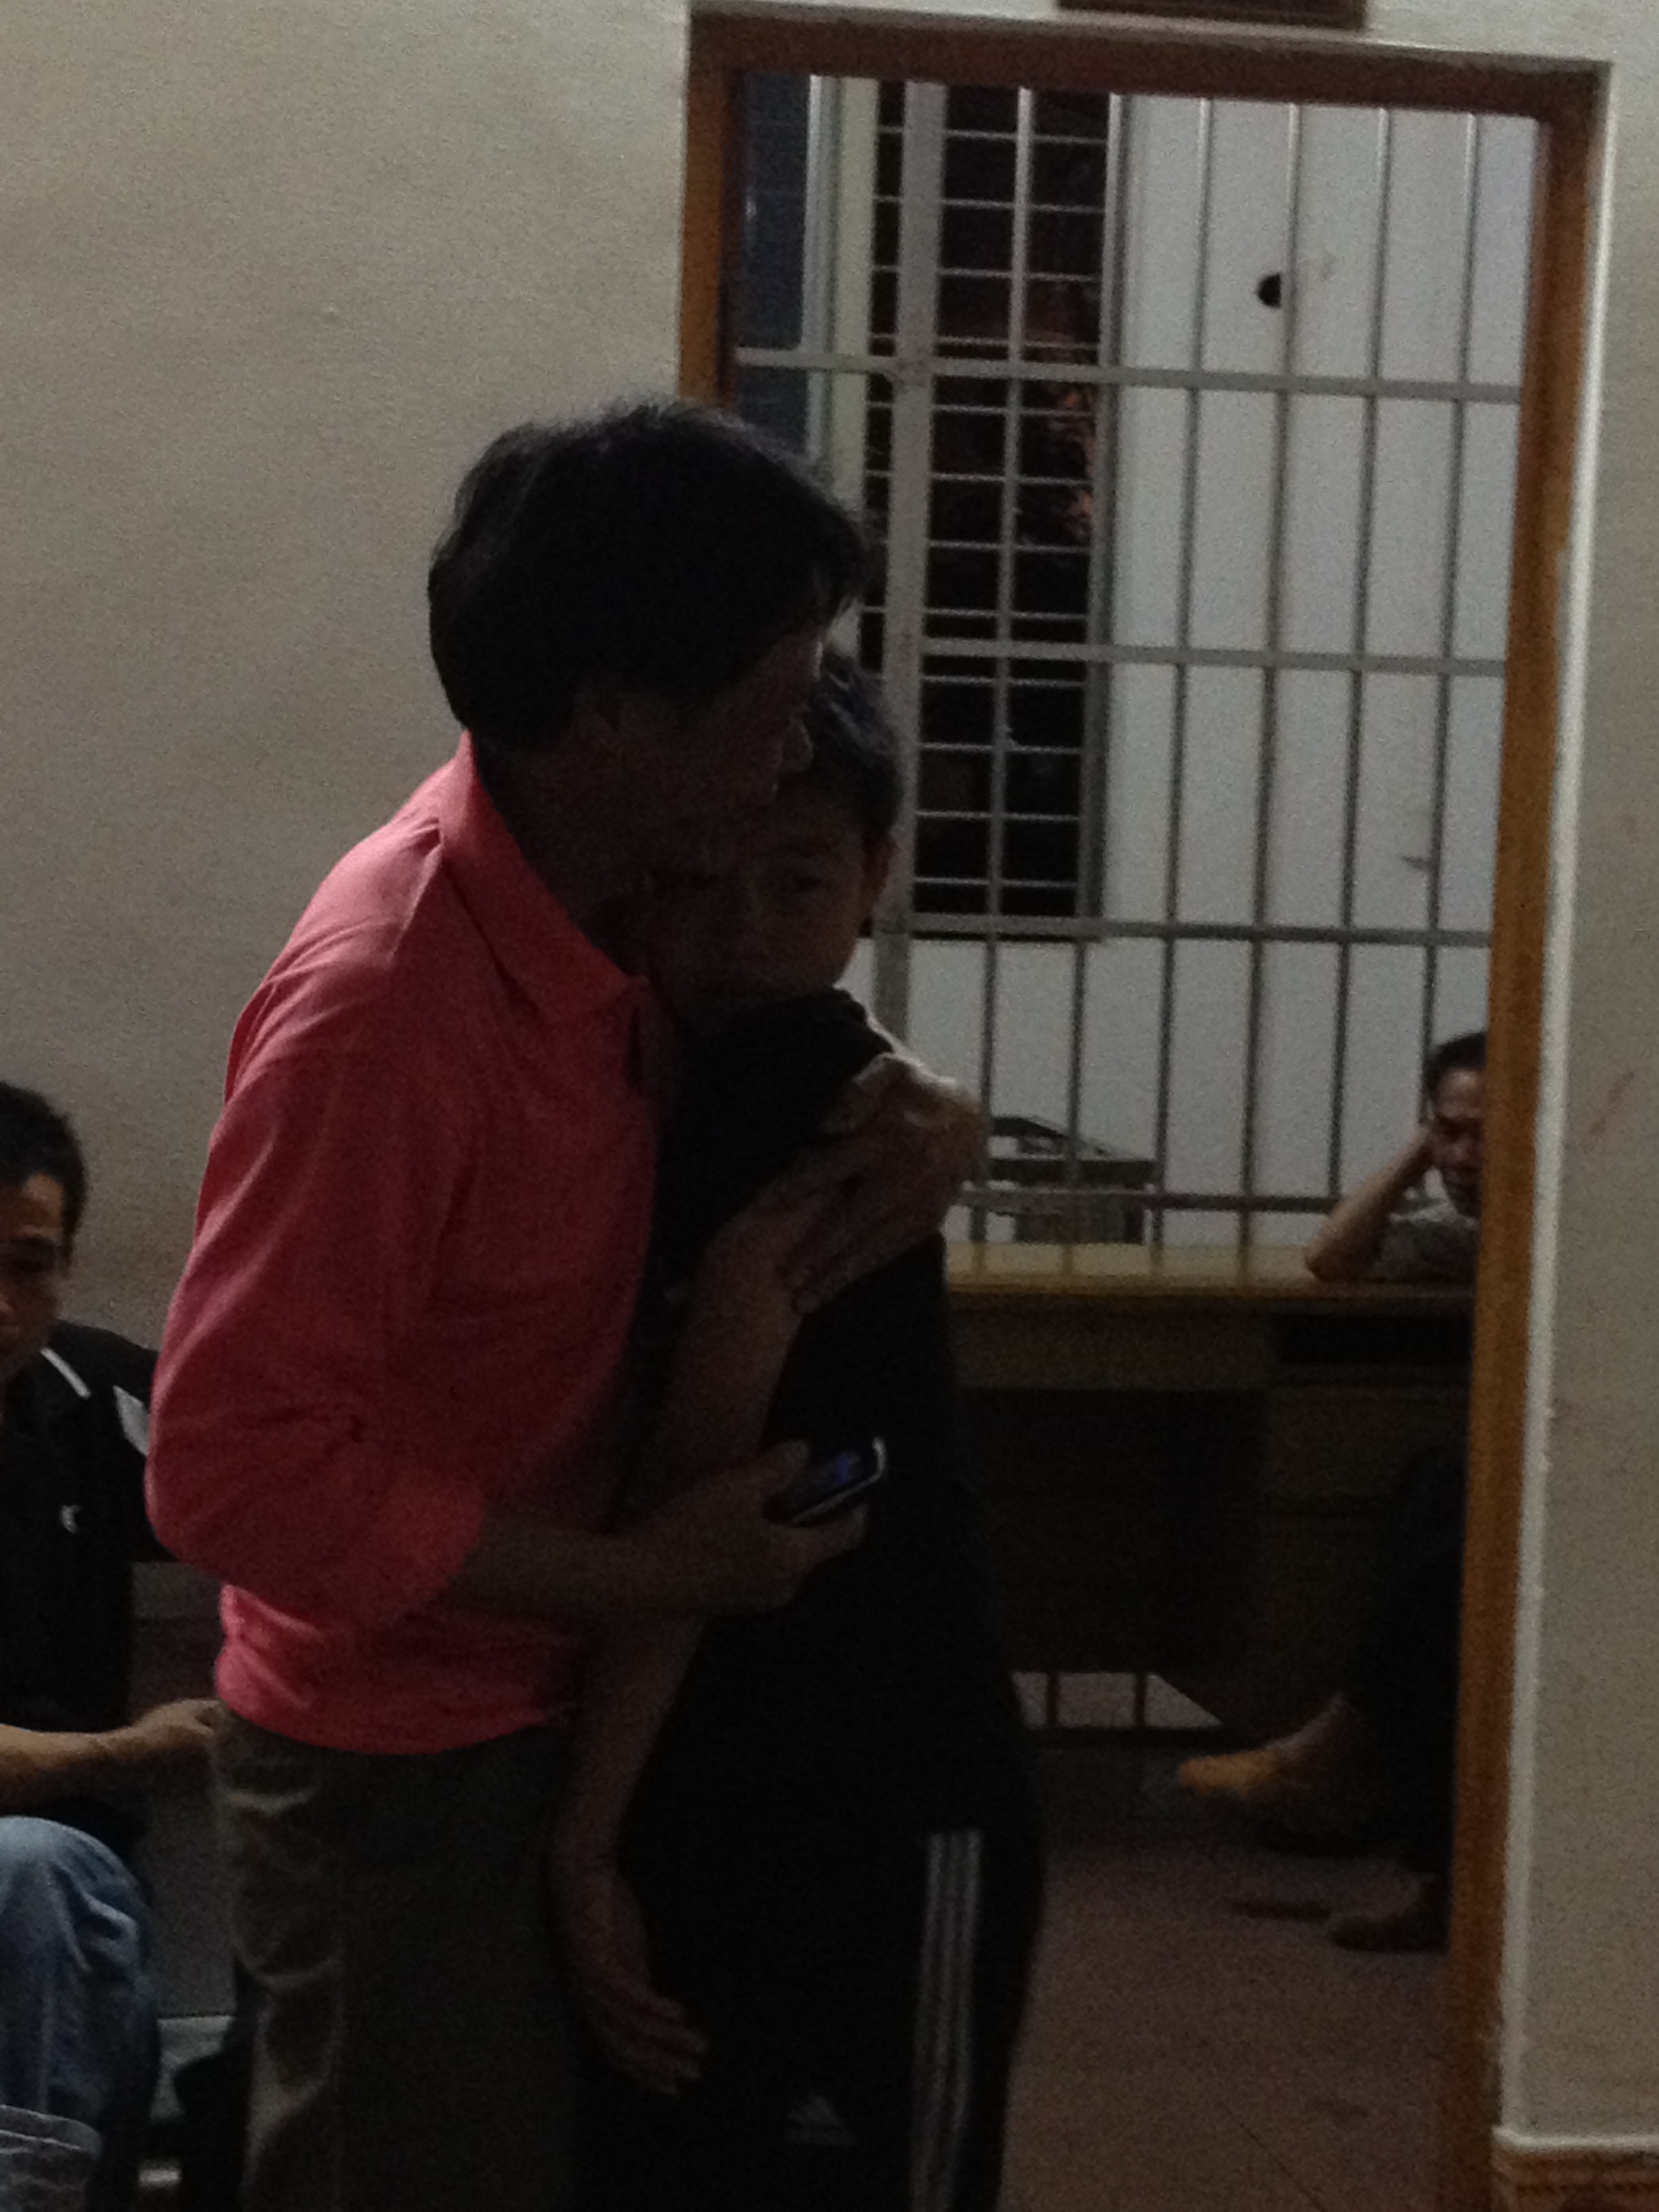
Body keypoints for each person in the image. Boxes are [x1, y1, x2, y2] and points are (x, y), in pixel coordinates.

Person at [145, 402, 983, 2212]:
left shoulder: (614, 899)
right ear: (609, 716)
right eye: (772, 700)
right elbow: (228, 1471)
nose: (794, 749)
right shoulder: (389, 1005)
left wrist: (925, 1101)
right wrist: (642, 1574)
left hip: (542, 1707)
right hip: (402, 1762)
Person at [554, 651, 1043, 2211]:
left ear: (877, 876)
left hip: (884, 1771)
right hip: (733, 1755)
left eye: (800, 881)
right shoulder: (668, 1062)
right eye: (698, 884)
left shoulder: (805, 1088)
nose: (743, 933)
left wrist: (584, 1834)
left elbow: (711, 1485)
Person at [1179, 1030, 1485, 1951]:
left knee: (1456, 1514)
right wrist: (1421, 1150)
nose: (1465, 1157)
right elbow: (1334, 1257)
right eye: (1450, 1131)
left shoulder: (1583, 1225)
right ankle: (1370, 1789)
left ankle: (1339, 1754)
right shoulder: (1473, 1236)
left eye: (1489, 1135)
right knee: (1438, 1494)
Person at [0, 1080, 219, 2211]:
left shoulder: (92, 1400)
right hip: (41, 1872)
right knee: (23, 1868)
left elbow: (282, 1496)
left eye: (28, 1265)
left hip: (71, 1931)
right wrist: (134, 1752)